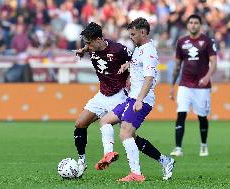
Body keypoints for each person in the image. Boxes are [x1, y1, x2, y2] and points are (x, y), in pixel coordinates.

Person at [73, 22, 173, 178]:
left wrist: (128, 76)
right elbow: (134, 61)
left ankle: (147, 168)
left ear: (98, 39)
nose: (87, 46)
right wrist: (83, 50)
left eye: (88, 43)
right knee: (81, 123)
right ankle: (84, 161)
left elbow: (142, 69)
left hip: (121, 96)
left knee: (129, 135)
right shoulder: (92, 48)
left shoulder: (119, 49)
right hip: (102, 95)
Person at [169, 14, 217, 157]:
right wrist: (172, 86)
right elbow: (177, 65)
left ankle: (203, 145)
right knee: (181, 114)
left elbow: (214, 62)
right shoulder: (181, 42)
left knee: (202, 116)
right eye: (191, 22)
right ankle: (178, 148)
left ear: (200, 25)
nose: (193, 25)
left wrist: (207, 77)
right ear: (187, 25)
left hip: (202, 86)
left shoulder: (207, 41)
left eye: (196, 22)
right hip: (185, 84)